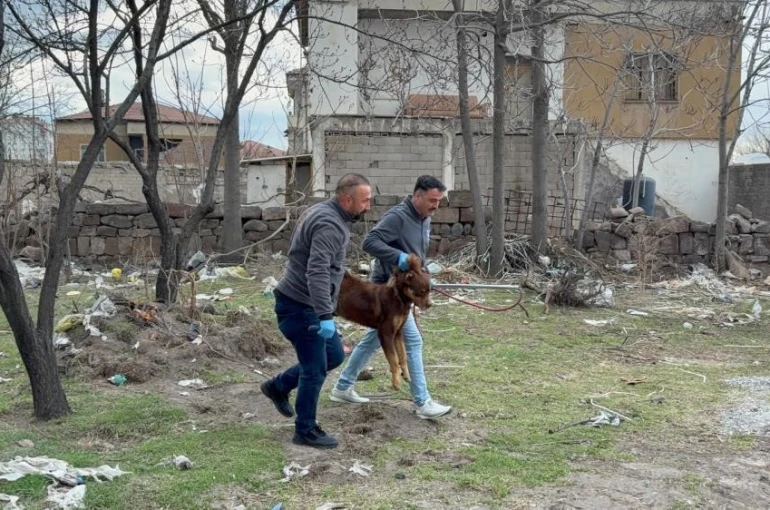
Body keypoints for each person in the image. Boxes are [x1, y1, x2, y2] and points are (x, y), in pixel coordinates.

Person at [261, 173, 372, 449]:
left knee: (333, 354)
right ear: (347, 199)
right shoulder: (329, 224)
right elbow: (317, 271)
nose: (368, 206)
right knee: (314, 369)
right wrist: (324, 315)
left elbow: (326, 266)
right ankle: (305, 429)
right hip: (300, 306)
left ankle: (278, 386)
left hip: (304, 302)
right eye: (365, 200)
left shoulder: (326, 212)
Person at [330, 175, 452, 420]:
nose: (435, 206)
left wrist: (424, 278)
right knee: (413, 341)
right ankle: (422, 401)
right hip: (387, 290)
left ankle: (343, 387)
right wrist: (398, 258)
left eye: (439, 201)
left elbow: (417, 255)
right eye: (431, 200)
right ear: (417, 196)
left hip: (406, 291)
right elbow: (369, 241)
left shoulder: (424, 218)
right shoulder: (397, 217)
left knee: (375, 338)